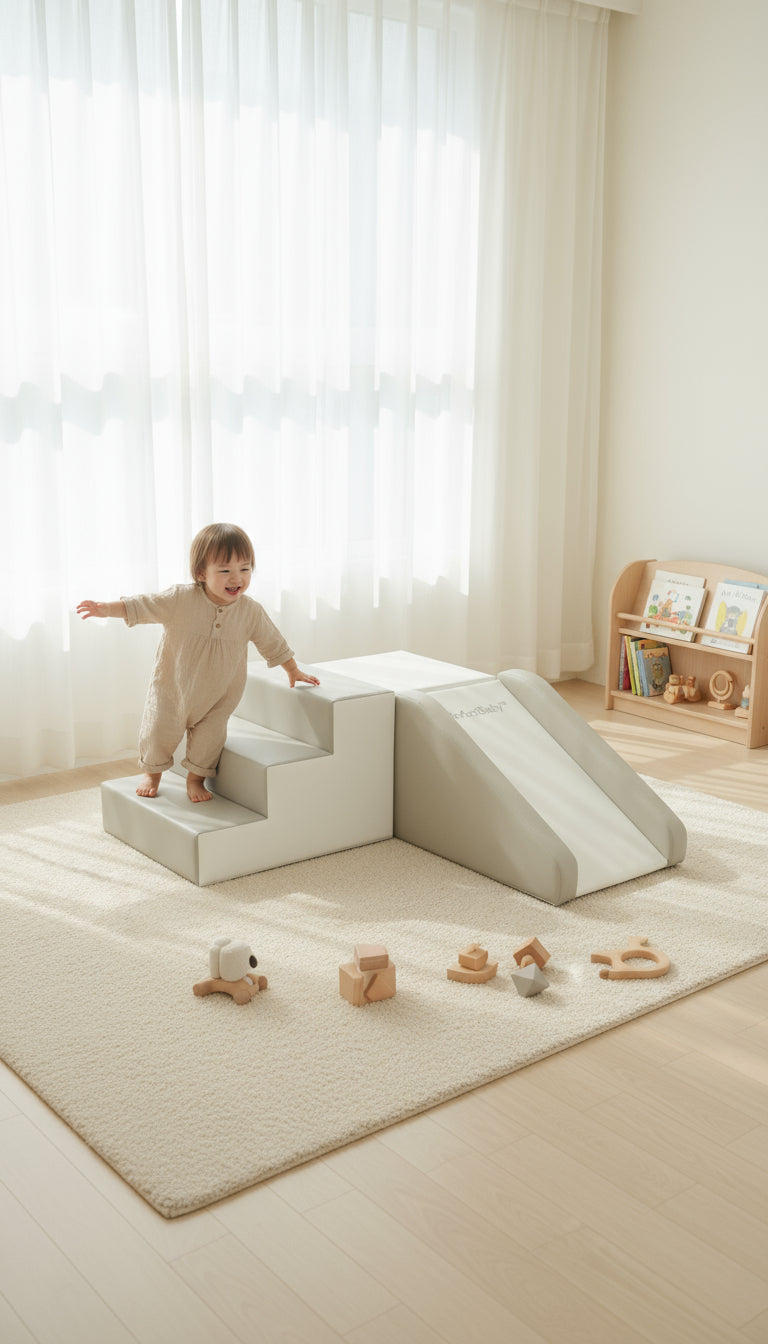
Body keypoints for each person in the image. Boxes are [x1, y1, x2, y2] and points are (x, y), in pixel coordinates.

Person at [77, 523, 320, 803]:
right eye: (225, 570)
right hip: (172, 690)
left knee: (210, 741)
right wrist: (105, 609)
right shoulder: (180, 599)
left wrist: (292, 669)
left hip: (219, 698)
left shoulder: (250, 612)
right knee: (157, 733)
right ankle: (152, 774)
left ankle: (195, 779)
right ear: (201, 573)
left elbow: (272, 641)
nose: (237, 578)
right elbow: (143, 605)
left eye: (245, 569)